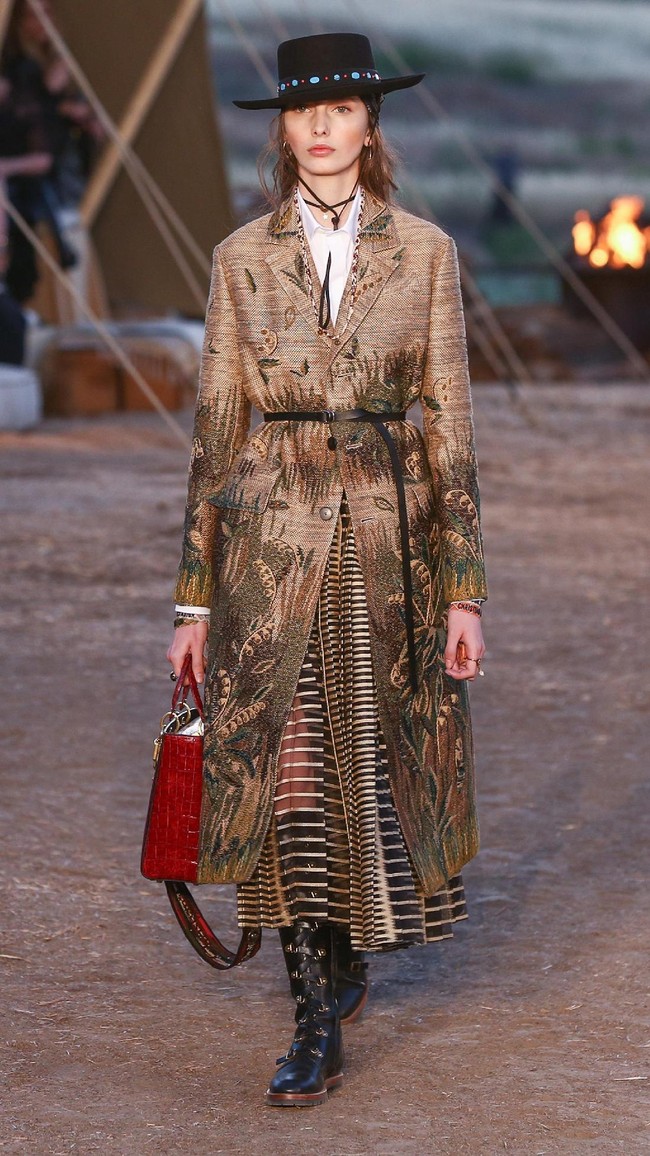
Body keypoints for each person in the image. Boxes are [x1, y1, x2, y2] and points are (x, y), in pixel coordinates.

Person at [168, 32, 487, 1108]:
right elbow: (216, 432)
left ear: (368, 125)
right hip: (268, 540)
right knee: (291, 763)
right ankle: (311, 1017)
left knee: (367, 756)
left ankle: (346, 943)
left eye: (340, 107)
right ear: (283, 130)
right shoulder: (239, 260)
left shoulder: (428, 255)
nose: (319, 125)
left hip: (387, 543)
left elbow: (446, 431)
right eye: (303, 110)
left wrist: (464, 590)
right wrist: (192, 600)